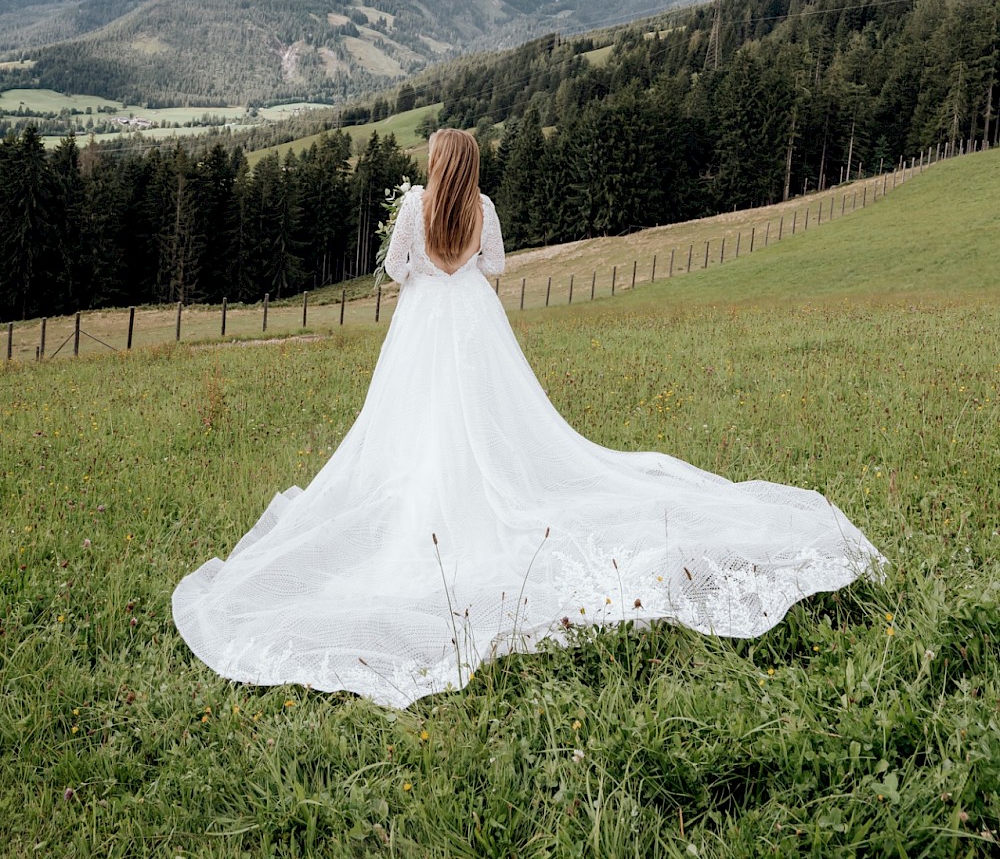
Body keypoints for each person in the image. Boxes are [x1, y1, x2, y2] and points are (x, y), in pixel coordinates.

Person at [173, 128, 882, 708]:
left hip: (423, 325)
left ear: (435, 163)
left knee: (415, 421)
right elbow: (500, 268)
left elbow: (394, 270)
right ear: (472, 165)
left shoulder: (416, 205)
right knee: (483, 417)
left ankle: (426, 497)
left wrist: (426, 265)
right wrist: (463, 264)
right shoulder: (482, 206)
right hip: (474, 322)